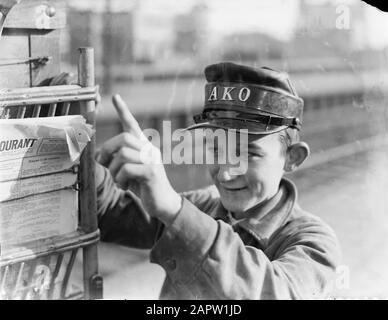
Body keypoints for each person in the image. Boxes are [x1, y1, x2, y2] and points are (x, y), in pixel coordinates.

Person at [94, 62, 341, 299]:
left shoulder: (314, 243)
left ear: (292, 158)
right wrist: (75, 141)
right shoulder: (205, 205)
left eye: (248, 154)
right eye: (216, 150)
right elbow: (111, 212)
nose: (225, 174)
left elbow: (275, 293)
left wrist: (175, 210)